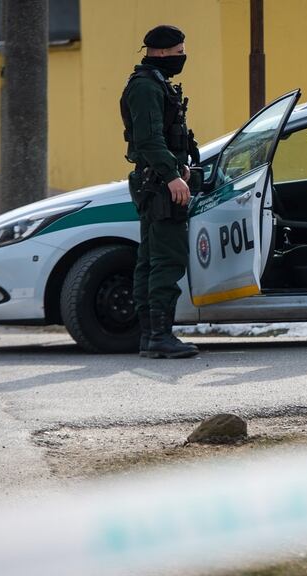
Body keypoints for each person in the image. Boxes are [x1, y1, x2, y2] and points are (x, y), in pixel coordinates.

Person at [120, 25, 199, 359]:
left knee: (151, 259)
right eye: (180, 52)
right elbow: (149, 139)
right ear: (164, 53)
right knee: (166, 258)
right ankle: (159, 336)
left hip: (158, 180)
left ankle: (151, 336)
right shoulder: (145, 88)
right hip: (160, 185)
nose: (182, 57)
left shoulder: (155, 84)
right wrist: (172, 176)